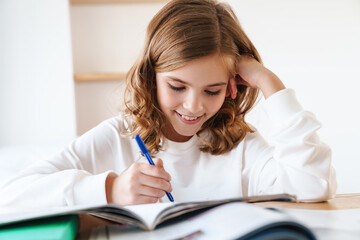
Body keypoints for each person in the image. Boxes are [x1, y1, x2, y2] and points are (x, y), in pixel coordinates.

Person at [0, 0, 336, 210]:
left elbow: (312, 186)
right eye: (177, 86)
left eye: (212, 90)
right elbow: (10, 198)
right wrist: (110, 189)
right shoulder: (118, 137)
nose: (193, 106)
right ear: (151, 77)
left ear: (232, 86)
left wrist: (270, 84)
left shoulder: (240, 147)